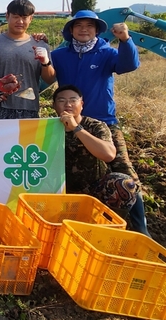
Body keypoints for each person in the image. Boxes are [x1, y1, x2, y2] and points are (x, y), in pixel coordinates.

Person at [50, 9, 148, 235]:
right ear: (71, 31)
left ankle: (140, 227)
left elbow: (129, 65)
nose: (84, 30)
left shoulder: (106, 52)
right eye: (78, 25)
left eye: (89, 26)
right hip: (67, 122)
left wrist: (125, 40)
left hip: (104, 120)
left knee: (124, 169)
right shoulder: (60, 55)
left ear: (97, 30)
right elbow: (46, 73)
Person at [52, 85, 142, 229]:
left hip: (95, 190)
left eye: (73, 100)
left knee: (124, 183)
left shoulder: (95, 126)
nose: (68, 104)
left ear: (82, 104)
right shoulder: (47, 128)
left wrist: (76, 128)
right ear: (54, 105)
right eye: (61, 100)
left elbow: (108, 155)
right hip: (60, 191)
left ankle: (108, 226)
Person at [0, 0, 54, 119]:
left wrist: (45, 63)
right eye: (16, 17)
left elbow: (50, 79)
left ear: (31, 18)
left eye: (24, 17)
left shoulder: (40, 45)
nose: (20, 21)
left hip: (29, 109)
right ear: (7, 16)